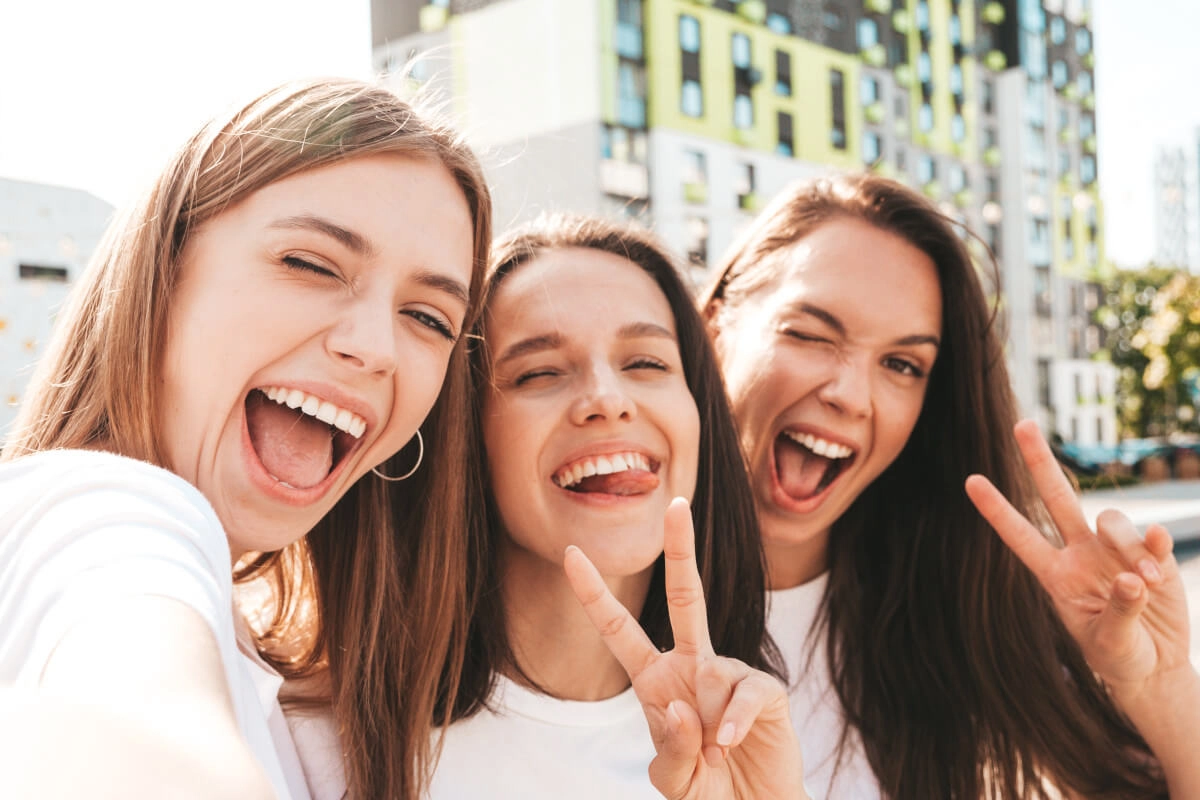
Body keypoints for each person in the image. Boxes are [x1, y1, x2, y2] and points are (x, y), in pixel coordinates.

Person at [0, 78, 491, 800]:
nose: (376, 346)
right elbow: (143, 724)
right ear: (163, 269)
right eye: (310, 264)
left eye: (428, 318)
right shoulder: (101, 514)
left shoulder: (270, 653)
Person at [284, 215, 807, 799]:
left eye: (646, 363)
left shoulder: (755, 735)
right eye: (539, 372)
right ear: (464, 435)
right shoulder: (311, 742)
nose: (608, 400)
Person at [699, 172, 1169, 799]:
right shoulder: (599, 603)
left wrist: (1156, 685)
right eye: (809, 334)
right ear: (712, 328)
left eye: (901, 364)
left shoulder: (944, 608)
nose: (850, 395)